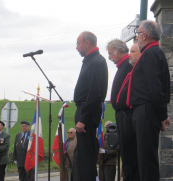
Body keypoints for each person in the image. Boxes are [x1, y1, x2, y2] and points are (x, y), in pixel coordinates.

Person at [119, 20, 170, 181]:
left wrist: (162, 115)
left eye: (138, 34)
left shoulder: (150, 54)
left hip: (146, 111)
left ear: (145, 35)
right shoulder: (153, 52)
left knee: (147, 161)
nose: (137, 38)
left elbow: (156, 88)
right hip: (144, 111)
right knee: (144, 159)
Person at [73, 31, 108, 181]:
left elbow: (94, 93)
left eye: (78, 43)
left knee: (86, 156)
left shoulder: (95, 62)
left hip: (87, 112)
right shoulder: (90, 60)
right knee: (83, 155)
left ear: (87, 43)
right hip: (84, 110)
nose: (76, 47)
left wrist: (83, 118)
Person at [107, 39, 132, 180]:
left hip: (125, 114)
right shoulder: (123, 66)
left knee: (128, 156)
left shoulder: (128, 65)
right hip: (121, 114)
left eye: (111, 53)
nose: (109, 57)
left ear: (119, 50)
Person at [116, 43, 141, 181]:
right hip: (125, 116)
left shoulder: (138, 70)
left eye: (132, 51)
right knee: (127, 156)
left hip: (133, 116)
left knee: (132, 157)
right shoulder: (131, 69)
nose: (129, 54)